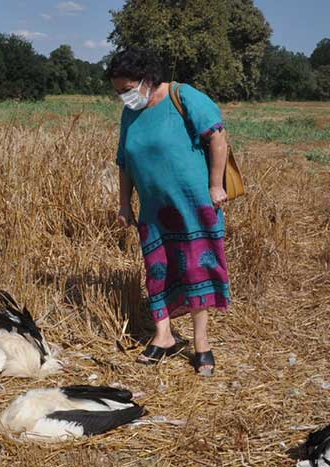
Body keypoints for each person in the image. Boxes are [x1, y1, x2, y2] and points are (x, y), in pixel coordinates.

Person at [107, 47, 230, 376]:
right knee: (157, 270)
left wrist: (216, 185)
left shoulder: (183, 96)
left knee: (196, 271)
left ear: (147, 79)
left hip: (193, 204)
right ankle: (164, 338)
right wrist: (123, 204)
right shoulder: (131, 113)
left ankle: (201, 343)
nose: (123, 97)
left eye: (127, 89)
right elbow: (125, 162)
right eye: (118, 91)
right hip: (154, 211)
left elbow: (217, 137)